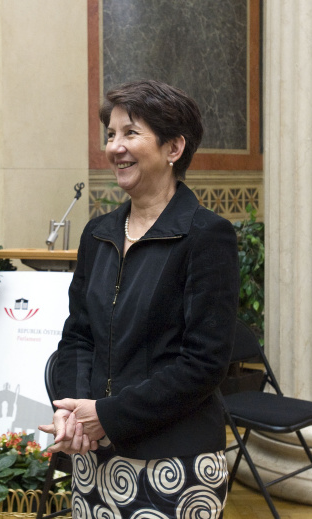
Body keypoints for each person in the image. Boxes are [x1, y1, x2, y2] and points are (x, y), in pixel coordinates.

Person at [39, 80, 239, 518]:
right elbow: (77, 337)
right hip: (94, 456)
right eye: (111, 135)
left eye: (130, 133)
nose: (115, 147)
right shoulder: (97, 233)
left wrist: (108, 415)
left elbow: (204, 364)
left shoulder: (207, 236)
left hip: (174, 464)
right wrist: (72, 414)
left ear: (173, 148)